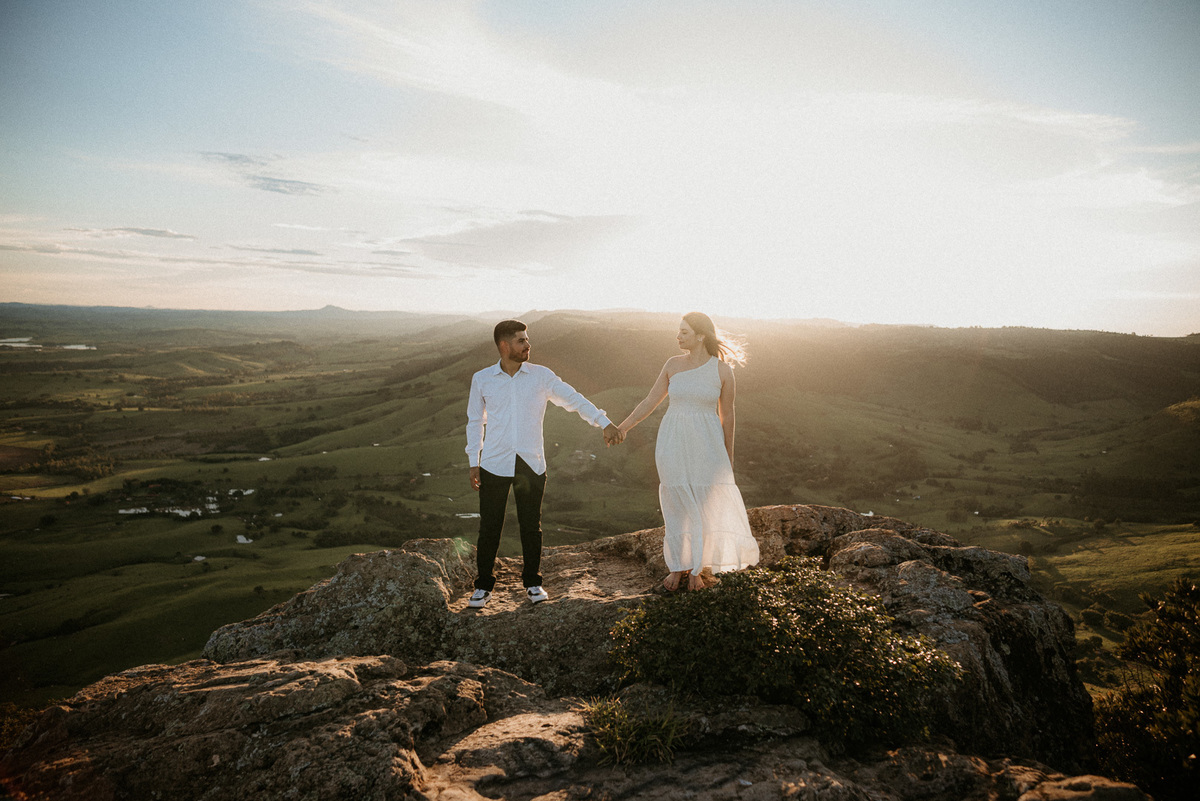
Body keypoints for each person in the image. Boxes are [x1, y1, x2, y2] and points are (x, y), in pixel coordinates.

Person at [465, 319, 623, 608]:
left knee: (530, 526)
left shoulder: (541, 376)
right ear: (504, 345)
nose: (528, 345)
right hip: (493, 463)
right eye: (521, 340)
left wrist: (604, 422)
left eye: (527, 339)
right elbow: (476, 421)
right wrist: (473, 460)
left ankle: (533, 583)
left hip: (531, 461)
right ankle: (483, 586)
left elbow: (574, 400)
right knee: (489, 526)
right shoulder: (482, 378)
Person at [617, 312, 759, 591]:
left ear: (701, 335)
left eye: (683, 331)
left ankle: (697, 569)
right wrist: (623, 428)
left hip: (707, 444)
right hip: (673, 440)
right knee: (677, 503)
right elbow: (650, 400)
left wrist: (727, 457)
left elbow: (727, 416)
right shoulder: (672, 365)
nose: (678, 336)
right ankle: (679, 567)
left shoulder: (722, 371)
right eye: (678, 331)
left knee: (704, 503)